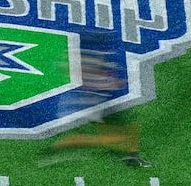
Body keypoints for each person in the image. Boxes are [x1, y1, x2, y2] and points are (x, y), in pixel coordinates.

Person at [44, 34, 152, 168]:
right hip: (91, 103)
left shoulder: (82, 58)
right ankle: (70, 141)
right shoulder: (89, 60)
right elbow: (93, 83)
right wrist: (113, 83)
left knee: (130, 127)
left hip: (97, 101)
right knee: (113, 137)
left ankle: (132, 156)